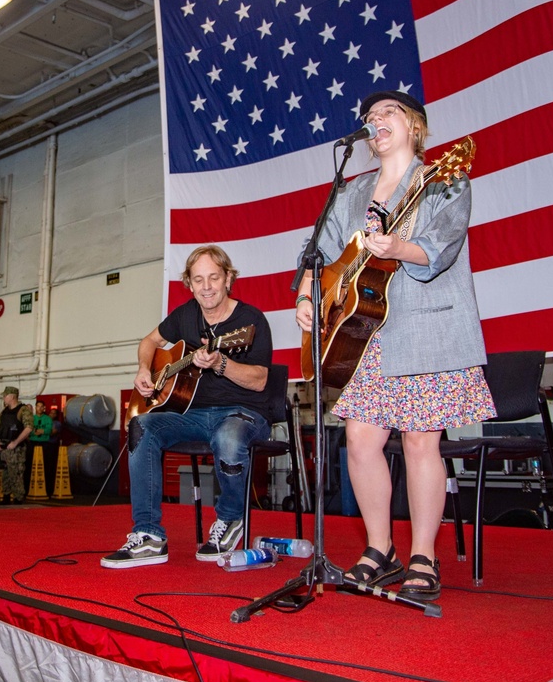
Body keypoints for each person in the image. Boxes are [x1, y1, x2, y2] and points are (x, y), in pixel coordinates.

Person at [294, 90, 496, 601]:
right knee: (361, 443)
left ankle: (424, 553)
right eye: (369, 117)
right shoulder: (351, 191)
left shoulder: (443, 179)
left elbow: (441, 246)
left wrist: (396, 247)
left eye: (387, 113)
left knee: (419, 441)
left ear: (415, 126)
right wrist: (306, 294)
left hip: (424, 325)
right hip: (362, 333)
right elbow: (319, 250)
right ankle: (379, 548)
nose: (375, 121)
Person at [101, 245, 273, 569]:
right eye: (198, 280)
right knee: (142, 426)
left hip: (243, 414)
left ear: (228, 279)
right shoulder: (185, 315)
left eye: (213, 278)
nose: (206, 287)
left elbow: (261, 380)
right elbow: (149, 342)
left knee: (229, 437)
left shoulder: (249, 322)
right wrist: (143, 368)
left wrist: (222, 362)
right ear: (189, 285)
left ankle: (231, 518)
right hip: (192, 415)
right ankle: (149, 535)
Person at [0, 387, 33, 504]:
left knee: (16, 473)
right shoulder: (4, 411)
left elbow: (28, 428)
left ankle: (18, 497)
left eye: (5, 396)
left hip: (16, 449)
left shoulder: (23, 410)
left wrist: (15, 442)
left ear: (12, 396)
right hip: (4, 447)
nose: (4, 398)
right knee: (5, 473)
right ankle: (6, 495)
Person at [28, 400, 53, 493]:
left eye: (41, 406)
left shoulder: (48, 419)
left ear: (44, 408)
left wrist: (41, 431)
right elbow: (28, 429)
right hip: (33, 443)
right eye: (37, 406)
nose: (39, 408)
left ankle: (47, 489)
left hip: (44, 444)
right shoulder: (31, 418)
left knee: (46, 466)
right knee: (30, 465)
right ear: (35, 407)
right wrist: (37, 431)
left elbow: (49, 430)